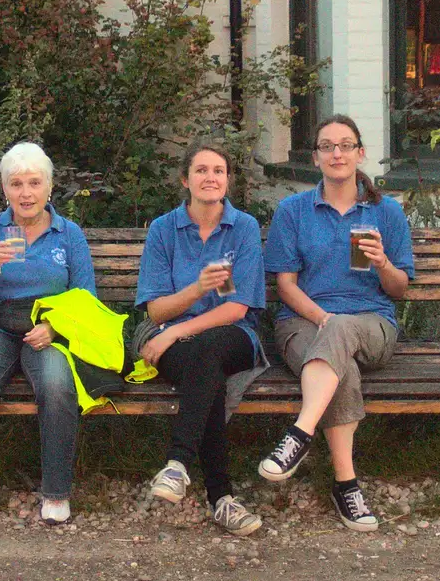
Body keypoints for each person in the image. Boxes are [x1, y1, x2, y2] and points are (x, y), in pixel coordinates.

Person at [256, 115, 413, 532]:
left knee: (341, 332)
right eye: (328, 146)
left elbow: (400, 290)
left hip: (372, 323)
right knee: (338, 354)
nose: (337, 153)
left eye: (346, 145)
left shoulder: (386, 213)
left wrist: (382, 264)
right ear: (317, 157)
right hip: (303, 322)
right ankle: (346, 484)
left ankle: (299, 434)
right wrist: (323, 319)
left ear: (360, 153)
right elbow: (286, 287)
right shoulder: (293, 211)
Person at [0, 142, 94, 527]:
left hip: (48, 328)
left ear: (49, 188)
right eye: (17, 184)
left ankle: (57, 490)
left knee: (56, 384)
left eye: (35, 183)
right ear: (5, 190)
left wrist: (55, 328)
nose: (26, 193)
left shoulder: (69, 234)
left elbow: (85, 299)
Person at [135, 141, 266, 536]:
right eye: (201, 170)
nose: (210, 178)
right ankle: (221, 498)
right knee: (204, 367)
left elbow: (237, 309)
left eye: (218, 171)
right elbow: (155, 310)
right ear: (185, 180)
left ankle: (177, 463)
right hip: (174, 340)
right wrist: (194, 290)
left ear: (228, 180)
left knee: (207, 350)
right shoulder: (164, 229)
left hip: (231, 334)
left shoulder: (243, 228)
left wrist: (175, 331)